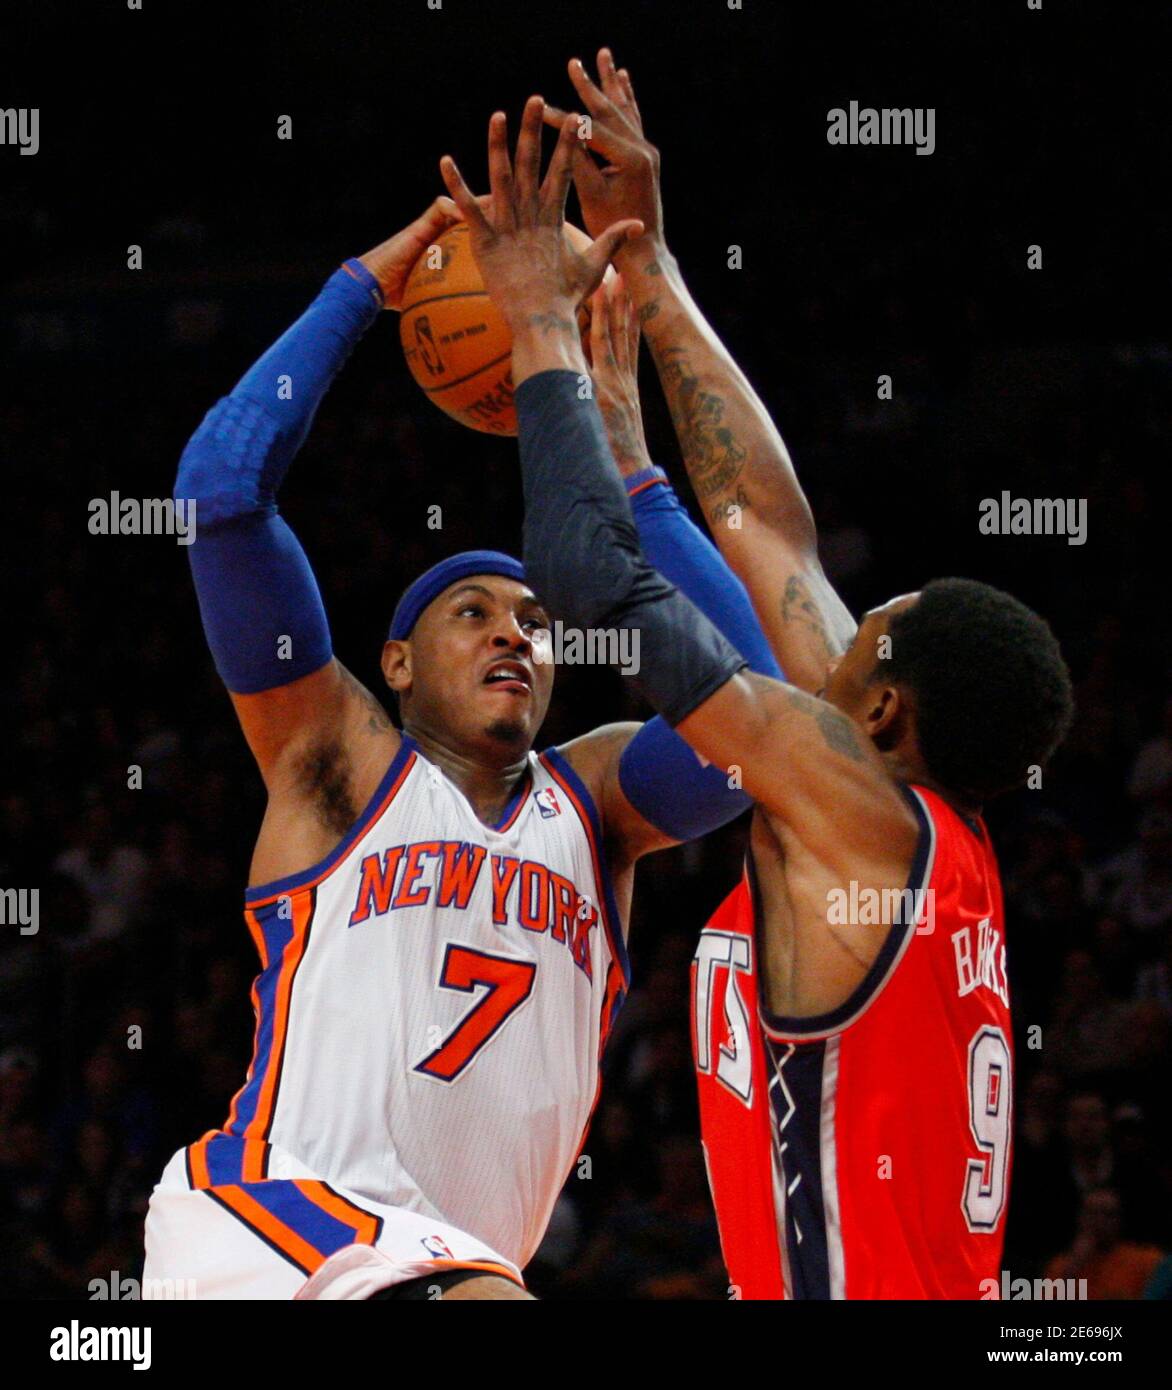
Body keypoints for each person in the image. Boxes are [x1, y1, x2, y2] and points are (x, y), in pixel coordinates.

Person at [439, 52, 1074, 1298]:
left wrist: (533, 328)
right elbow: (766, 530)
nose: (833, 625)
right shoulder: (908, 822)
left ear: (881, 706)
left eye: (865, 623)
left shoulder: (853, 810)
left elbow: (581, 572)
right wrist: (651, 269)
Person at [142, 194, 782, 1300]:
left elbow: (757, 716)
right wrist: (358, 291)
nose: (512, 634)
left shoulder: (596, 804)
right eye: (472, 613)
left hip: (452, 1261)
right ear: (393, 664)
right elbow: (221, 496)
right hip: (271, 1217)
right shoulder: (338, 763)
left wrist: (632, 470)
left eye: (535, 622)